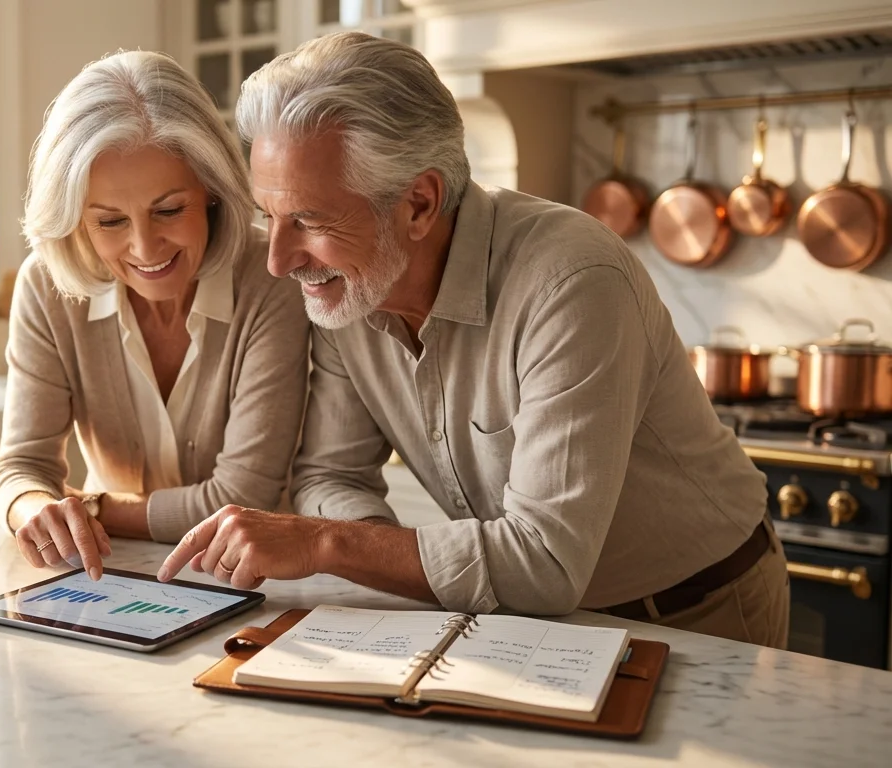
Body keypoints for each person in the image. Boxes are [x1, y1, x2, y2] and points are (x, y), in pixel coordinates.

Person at [158, 32, 789, 648]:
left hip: (698, 611)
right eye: (270, 218)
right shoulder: (346, 291)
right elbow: (328, 475)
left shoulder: (571, 281)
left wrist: (327, 543)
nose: (279, 261)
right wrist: (372, 556)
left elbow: (542, 563)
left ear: (419, 204)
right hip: (536, 627)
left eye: (312, 220)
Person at [0, 50, 310, 582]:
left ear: (210, 188)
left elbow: (241, 499)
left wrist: (88, 508)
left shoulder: (271, 277)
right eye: (110, 221)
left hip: (254, 581)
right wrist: (35, 510)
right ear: (76, 221)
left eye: (168, 210)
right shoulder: (45, 287)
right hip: (110, 574)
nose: (144, 247)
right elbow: (20, 469)